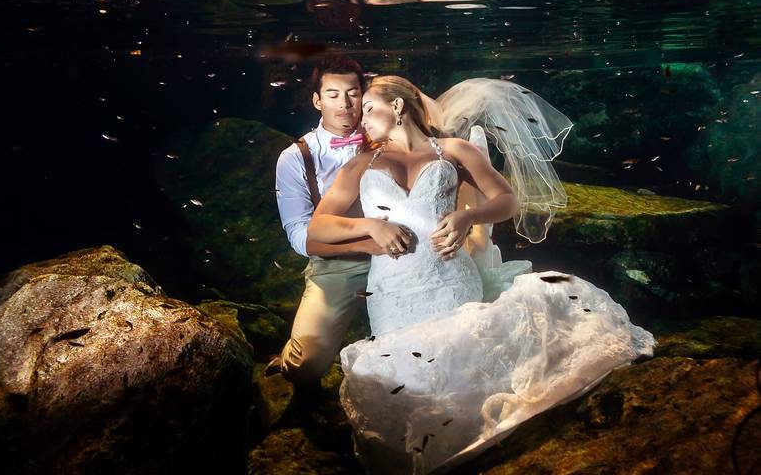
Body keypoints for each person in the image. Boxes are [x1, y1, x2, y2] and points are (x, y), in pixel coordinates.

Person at [306, 75, 657, 473]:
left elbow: (507, 200)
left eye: (369, 108)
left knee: (463, 366)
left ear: (399, 106)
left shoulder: (454, 151)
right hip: (391, 290)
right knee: (407, 378)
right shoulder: (360, 164)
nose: (360, 118)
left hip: (450, 279)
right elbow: (317, 228)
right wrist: (371, 227)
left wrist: (468, 215)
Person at [264, 56, 389, 405]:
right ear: (317, 101)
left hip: (400, 253)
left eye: (352, 93)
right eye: (333, 94)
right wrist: (366, 245)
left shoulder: (390, 138)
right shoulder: (295, 157)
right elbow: (300, 237)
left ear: (364, 95)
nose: (345, 104)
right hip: (338, 263)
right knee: (305, 364)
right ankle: (290, 360)